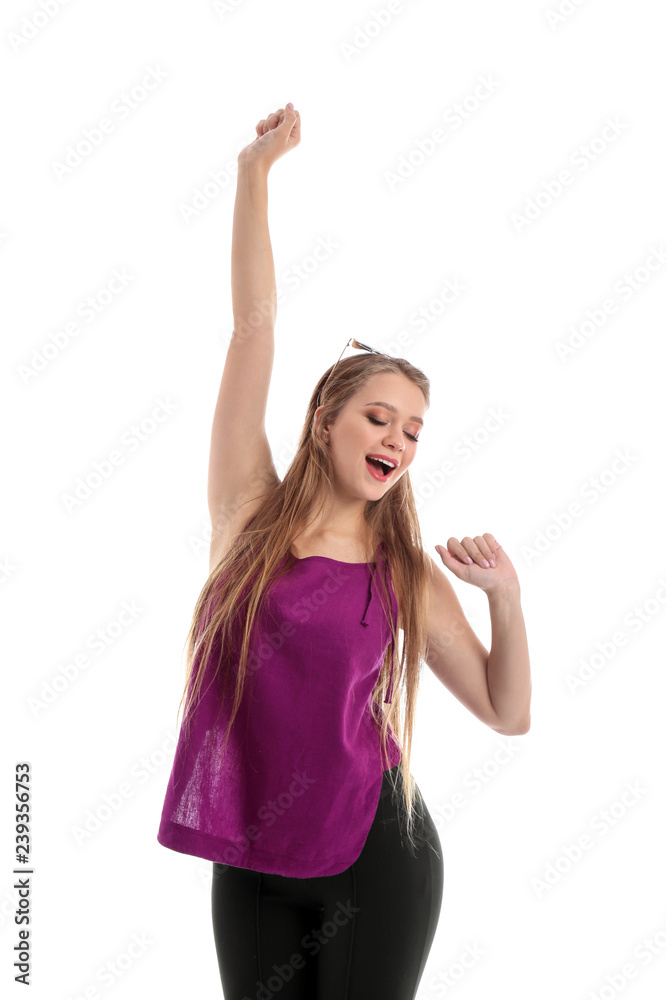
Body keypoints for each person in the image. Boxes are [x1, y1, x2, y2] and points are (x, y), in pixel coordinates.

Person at [157, 104, 532, 1000]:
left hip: (377, 860)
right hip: (250, 851)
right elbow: (254, 334)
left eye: (414, 431)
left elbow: (504, 710)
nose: (398, 441)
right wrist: (255, 174)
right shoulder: (247, 511)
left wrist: (504, 598)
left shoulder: (402, 571)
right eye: (379, 417)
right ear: (326, 421)